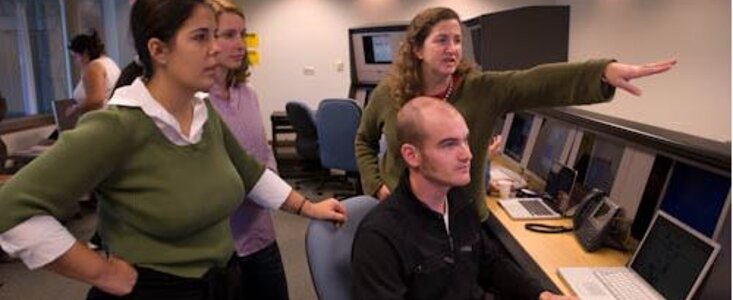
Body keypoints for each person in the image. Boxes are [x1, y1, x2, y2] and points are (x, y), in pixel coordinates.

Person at [0, 0, 346, 299]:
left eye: (215, 35)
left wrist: (308, 208)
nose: (215, 48)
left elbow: (250, 172)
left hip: (223, 281)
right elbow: (10, 209)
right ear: (158, 50)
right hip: (156, 290)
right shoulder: (119, 125)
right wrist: (101, 272)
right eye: (200, 37)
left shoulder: (203, 111)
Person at [355, 6, 676, 227]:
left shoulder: (480, 89)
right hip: (402, 214)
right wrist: (377, 186)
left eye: (457, 40)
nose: (453, 48)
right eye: (441, 40)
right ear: (417, 49)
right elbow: (364, 141)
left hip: (462, 221)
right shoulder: (389, 93)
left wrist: (601, 72)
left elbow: (535, 82)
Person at [352, 96, 574, 300]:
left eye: (465, 141)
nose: (467, 154)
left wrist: (541, 295)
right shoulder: (380, 237)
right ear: (412, 155)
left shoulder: (458, 203)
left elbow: (490, 264)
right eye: (449, 144)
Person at [206, 1, 286, 298]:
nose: (239, 43)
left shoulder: (248, 94)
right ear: (206, 40)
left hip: (262, 236)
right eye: (228, 35)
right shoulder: (197, 103)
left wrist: (271, 187)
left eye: (243, 34)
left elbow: (263, 152)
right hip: (222, 246)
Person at [67, 30, 121, 117]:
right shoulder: (108, 62)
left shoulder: (94, 67)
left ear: (85, 53)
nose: (76, 61)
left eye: (76, 56)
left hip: (100, 119)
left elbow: (96, 100)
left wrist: (76, 108)